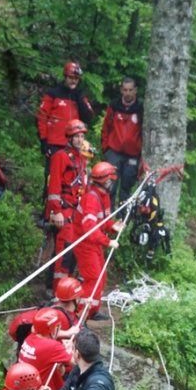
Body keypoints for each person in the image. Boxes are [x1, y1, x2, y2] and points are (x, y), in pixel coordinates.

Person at [72, 162, 125, 321]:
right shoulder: (91, 199)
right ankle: (80, 316)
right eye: (112, 181)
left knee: (101, 276)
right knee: (93, 278)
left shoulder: (104, 197)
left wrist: (113, 227)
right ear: (107, 182)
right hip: (84, 244)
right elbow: (89, 228)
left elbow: (103, 222)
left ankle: (92, 309)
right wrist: (108, 241)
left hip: (93, 242)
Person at [46, 119, 88, 294]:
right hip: (64, 212)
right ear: (69, 138)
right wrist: (56, 211)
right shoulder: (60, 157)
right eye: (76, 136)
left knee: (74, 254)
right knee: (64, 254)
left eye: (81, 136)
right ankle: (56, 292)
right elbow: (54, 186)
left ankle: (67, 291)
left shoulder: (81, 160)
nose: (79, 140)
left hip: (76, 213)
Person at [37, 61, 94, 187]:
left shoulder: (79, 96)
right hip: (55, 144)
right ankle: (48, 203)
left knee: (72, 177)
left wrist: (78, 97)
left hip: (74, 145)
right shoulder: (52, 94)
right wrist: (44, 141)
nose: (73, 81)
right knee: (52, 177)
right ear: (65, 76)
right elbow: (41, 118)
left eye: (76, 79)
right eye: (71, 78)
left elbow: (89, 117)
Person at [8, 276, 83, 357]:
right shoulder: (59, 317)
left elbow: (76, 322)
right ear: (76, 299)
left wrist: (87, 310)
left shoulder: (55, 307)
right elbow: (38, 330)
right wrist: (66, 333)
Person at [101, 77, 143, 210]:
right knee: (110, 186)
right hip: (113, 153)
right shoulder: (114, 106)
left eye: (131, 90)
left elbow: (145, 132)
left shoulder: (141, 108)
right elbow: (105, 127)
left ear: (135, 90)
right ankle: (108, 217)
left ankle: (122, 218)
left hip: (132, 155)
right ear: (121, 90)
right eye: (125, 90)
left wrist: (140, 154)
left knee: (126, 188)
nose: (128, 93)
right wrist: (105, 149)